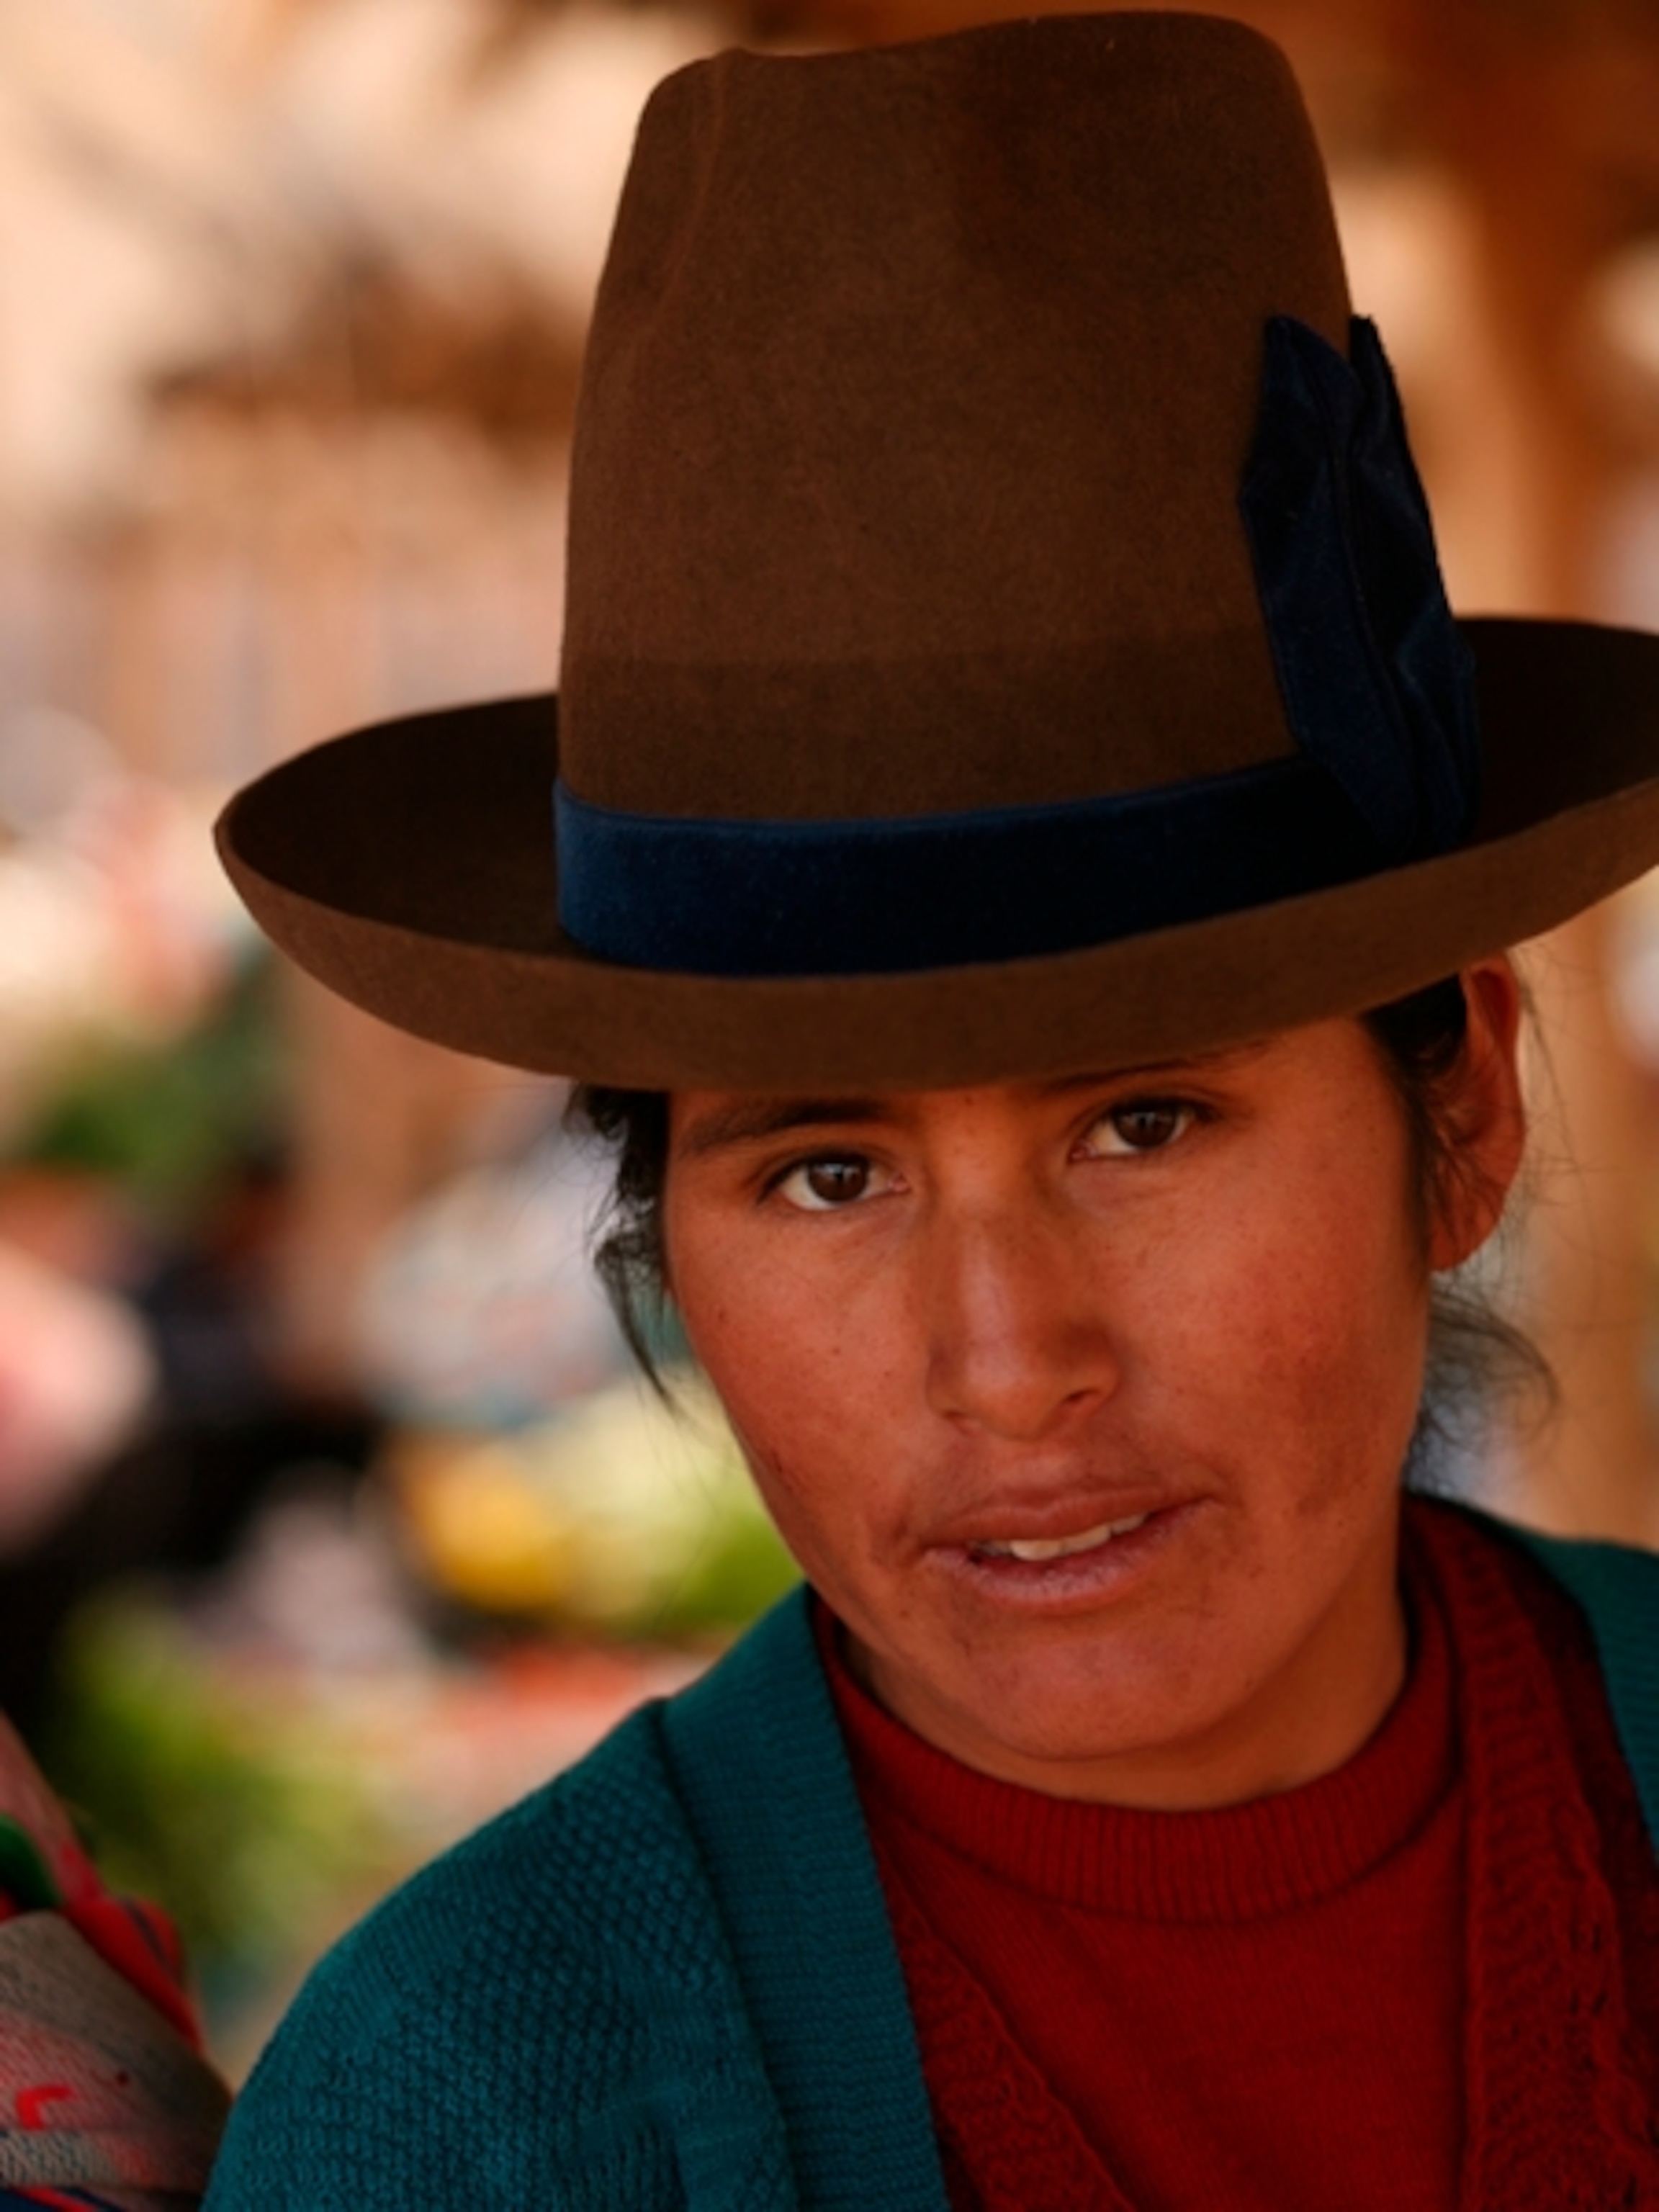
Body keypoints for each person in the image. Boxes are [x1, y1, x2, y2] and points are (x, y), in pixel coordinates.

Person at [204, 13, 1659, 2207]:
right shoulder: (474, 2116)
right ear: (660, 1243)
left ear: (1461, 1105)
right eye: (826, 1168)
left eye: (1144, 1124)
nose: (1008, 1361)